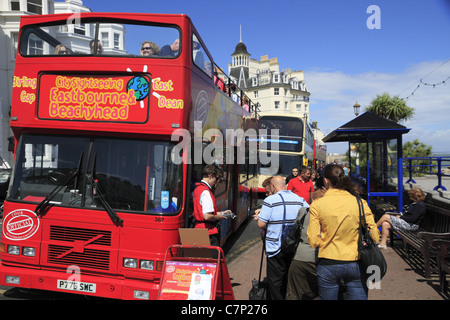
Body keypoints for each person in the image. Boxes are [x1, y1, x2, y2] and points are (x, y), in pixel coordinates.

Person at [307, 164, 380, 300]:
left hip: (328, 261)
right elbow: (375, 236)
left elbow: (313, 240)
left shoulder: (318, 204)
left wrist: (326, 242)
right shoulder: (359, 202)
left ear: (326, 181)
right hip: (355, 261)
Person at [257, 176, 309, 300]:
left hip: (274, 246)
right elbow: (309, 213)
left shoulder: (270, 200)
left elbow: (261, 224)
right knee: (288, 277)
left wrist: (260, 217)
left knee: (275, 281)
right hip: (293, 246)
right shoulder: (299, 199)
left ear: (273, 186)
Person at [192, 164, 231, 247]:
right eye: (217, 179)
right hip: (208, 233)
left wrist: (221, 213)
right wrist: (218, 217)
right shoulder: (206, 192)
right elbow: (207, 216)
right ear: (210, 176)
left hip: (198, 230)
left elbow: (202, 212)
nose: (217, 183)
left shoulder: (198, 189)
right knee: (212, 258)